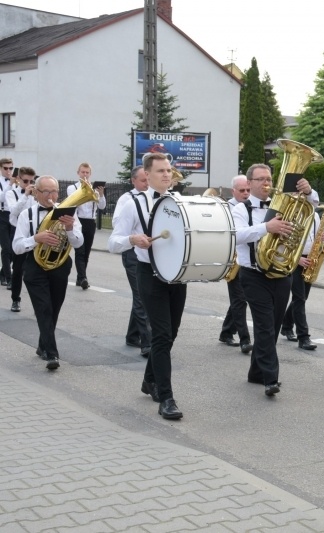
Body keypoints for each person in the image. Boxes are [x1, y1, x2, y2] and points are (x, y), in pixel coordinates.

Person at [108, 153, 185, 420]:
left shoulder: (180, 202)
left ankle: (149, 380)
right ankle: (166, 398)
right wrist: (132, 239)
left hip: (177, 275)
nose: (167, 174)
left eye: (169, 170)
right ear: (147, 175)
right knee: (161, 335)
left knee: (171, 334)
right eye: (161, 171)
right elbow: (113, 242)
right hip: (149, 274)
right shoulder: (133, 204)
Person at [233, 163, 318, 397]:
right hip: (254, 274)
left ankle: (256, 372)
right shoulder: (241, 209)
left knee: (274, 326)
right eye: (260, 179)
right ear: (249, 183)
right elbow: (236, 235)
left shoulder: (283, 204)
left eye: (268, 178)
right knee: (264, 327)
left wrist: (308, 192)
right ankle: (271, 378)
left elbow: (312, 207)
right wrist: (266, 227)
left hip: (281, 273)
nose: (266, 183)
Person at [13, 175, 84, 370]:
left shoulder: (68, 212)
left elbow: (79, 243)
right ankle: (52, 354)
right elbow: (17, 247)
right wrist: (36, 238)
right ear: (36, 193)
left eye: (54, 191)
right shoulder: (26, 214)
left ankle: (43, 345)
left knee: (54, 308)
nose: (51, 196)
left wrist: (69, 228)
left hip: (60, 265)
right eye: (46, 192)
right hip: (34, 266)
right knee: (43, 308)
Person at [113, 166, 151, 357]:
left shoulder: (152, 198)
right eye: (143, 180)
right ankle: (147, 342)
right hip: (132, 252)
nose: (147, 183)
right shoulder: (127, 200)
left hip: (149, 253)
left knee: (141, 295)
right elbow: (117, 225)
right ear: (133, 181)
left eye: (148, 179)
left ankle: (132, 335)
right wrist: (135, 236)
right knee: (141, 297)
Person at [219, 175, 253, 354]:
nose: (246, 193)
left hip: (248, 260)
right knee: (239, 300)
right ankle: (244, 339)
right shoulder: (225, 209)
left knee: (240, 299)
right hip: (233, 260)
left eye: (248, 190)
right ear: (233, 191)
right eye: (242, 191)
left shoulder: (252, 206)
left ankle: (226, 332)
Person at [280, 207, 322, 351]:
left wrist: (322, 239)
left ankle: (286, 326)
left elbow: (315, 237)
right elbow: (283, 241)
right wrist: (297, 259)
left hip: (309, 259)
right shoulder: (292, 212)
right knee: (299, 298)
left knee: (302, 297)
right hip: (293, 260)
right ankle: (303, 337)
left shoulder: (316, 215)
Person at [67, 162, 106, 290]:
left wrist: (101, 194)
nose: (85, 174)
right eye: (82, 172)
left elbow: (102, 206)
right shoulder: (72, 188)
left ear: (90, 174)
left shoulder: (94, 189)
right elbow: (73, 202)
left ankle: (80, 278)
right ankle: (83, 277)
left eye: (87, 172)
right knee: (80, 250)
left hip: (90, 222)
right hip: (78, 221)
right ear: (78, 173)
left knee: (86, 251)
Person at [6, 167, 37, 312]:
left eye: (32, 181)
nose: (29, 184)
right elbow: (14, 211)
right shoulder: (11, 193)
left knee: (36, 269)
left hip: (34, 233)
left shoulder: (35, 194)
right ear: (18, 180)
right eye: (25, 181)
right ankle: (15, 299)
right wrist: (25, 195)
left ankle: (38, 302)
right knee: (18, 269)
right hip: (18, 232)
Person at [0, 157, 14, 287]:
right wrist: (10, 184)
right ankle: (8, 278)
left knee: (14, 248)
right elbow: (2, 198)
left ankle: (2, 273)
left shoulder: (16, 182)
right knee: (6, 248)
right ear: (1, 168)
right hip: (2, 215)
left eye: (11, 168)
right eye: (5, 168)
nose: (8, 171)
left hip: (14, 215)